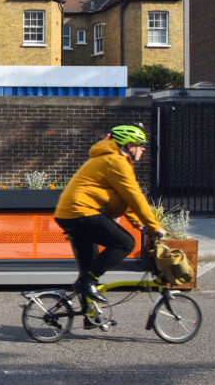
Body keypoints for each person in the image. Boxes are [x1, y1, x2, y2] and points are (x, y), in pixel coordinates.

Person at [54, 125, 163, 304]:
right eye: (140, 144)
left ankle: (89, 314)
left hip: (71, 213)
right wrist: (155, 227)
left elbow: (122, 197)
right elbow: (134, 196)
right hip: (81, 212)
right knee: (125, 243)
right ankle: (86, 283)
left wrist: (138, 223)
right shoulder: (116, 161)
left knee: (90, 266)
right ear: (128, 145)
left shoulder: (111, 160)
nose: (143, 148)